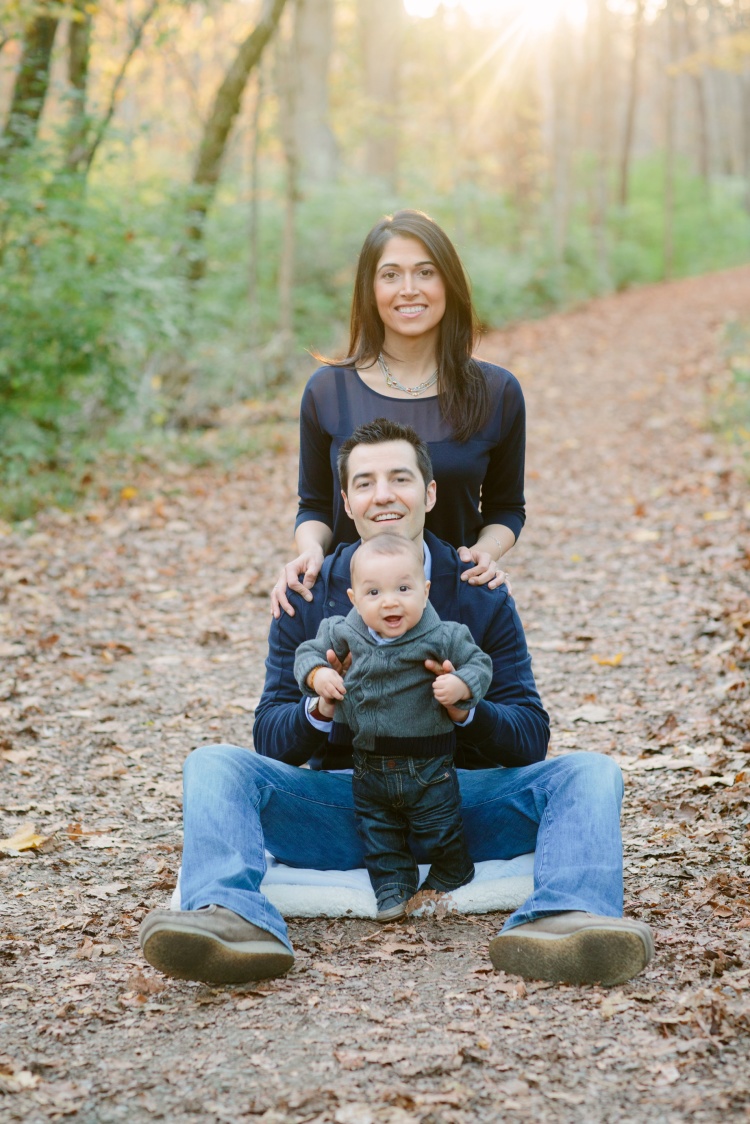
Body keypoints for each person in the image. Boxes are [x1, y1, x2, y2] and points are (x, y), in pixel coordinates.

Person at [139, 419, 653, 988]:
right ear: (347, 502)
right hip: (347, 804)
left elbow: (530, 735)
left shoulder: (478, 590)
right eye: (365, 482)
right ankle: (231, 920)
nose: (383, 494)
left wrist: (467, 710)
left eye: (400, 478)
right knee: (212, 764)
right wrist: (320, 709)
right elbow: (271, 738)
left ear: (430, 494)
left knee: (590, 772)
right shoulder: (308, 597)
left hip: (460, 801)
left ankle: (567, 919)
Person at [271, 208, 525, 619]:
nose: (409, 289)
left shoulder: (497, 392)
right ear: (370, 290)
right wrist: (311, 553)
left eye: (425, 272)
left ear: (449, 283)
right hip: (354, 613)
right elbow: (315, 506)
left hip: (458, 606)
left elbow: (506, 508)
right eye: (391, 275)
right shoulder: (328, 390)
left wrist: (481, 555)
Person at [294, 534, 493, 921]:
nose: (390, 601)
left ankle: (454, 867)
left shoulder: (443, 635)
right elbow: (307, 653)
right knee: (377, 830)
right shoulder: (342, 632)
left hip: (430, 765)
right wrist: (318, 676)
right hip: (368, 764)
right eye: (374, 592)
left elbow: (479, 663)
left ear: (425, 590)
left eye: (404, 588)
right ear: (353, 598)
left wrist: (462, 686)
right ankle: (392, 884)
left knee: (440, 825)